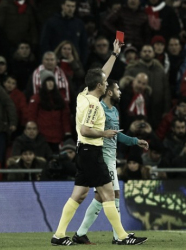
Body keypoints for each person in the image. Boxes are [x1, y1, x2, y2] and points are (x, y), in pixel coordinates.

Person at [50, 39, 147, 246]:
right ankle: (122, 237)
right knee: (108, 194)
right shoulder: (94, 105)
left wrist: (114, 54)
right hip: (92, 152)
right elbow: (86, 129)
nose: (106, 82)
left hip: (83, 151)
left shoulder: (83, 95)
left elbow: (101, 74)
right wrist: (105, 133)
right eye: (104, 82)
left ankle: (58, 235)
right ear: (101, 86)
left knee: (80, 194)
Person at [73, 78, 149, 244]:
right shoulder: (98, 108)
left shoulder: (114, 110)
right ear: (109, 92)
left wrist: (136, 141)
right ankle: (119, 236)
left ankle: (80, 234)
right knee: (113, 194)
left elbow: (116, 134)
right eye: (117, 89)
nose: (120, 92)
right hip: (101, 155)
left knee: (101, 198)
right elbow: (87, 129)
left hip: (110, 156)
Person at [28, 70, 72, 153]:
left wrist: (67, 132)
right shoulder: (37, 98)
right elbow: (32, 115)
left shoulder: (60, 98)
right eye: (47, 81)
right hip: (42, 137)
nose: (50, 83)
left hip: (58, 136)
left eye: (51, 80)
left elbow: (65, 117)